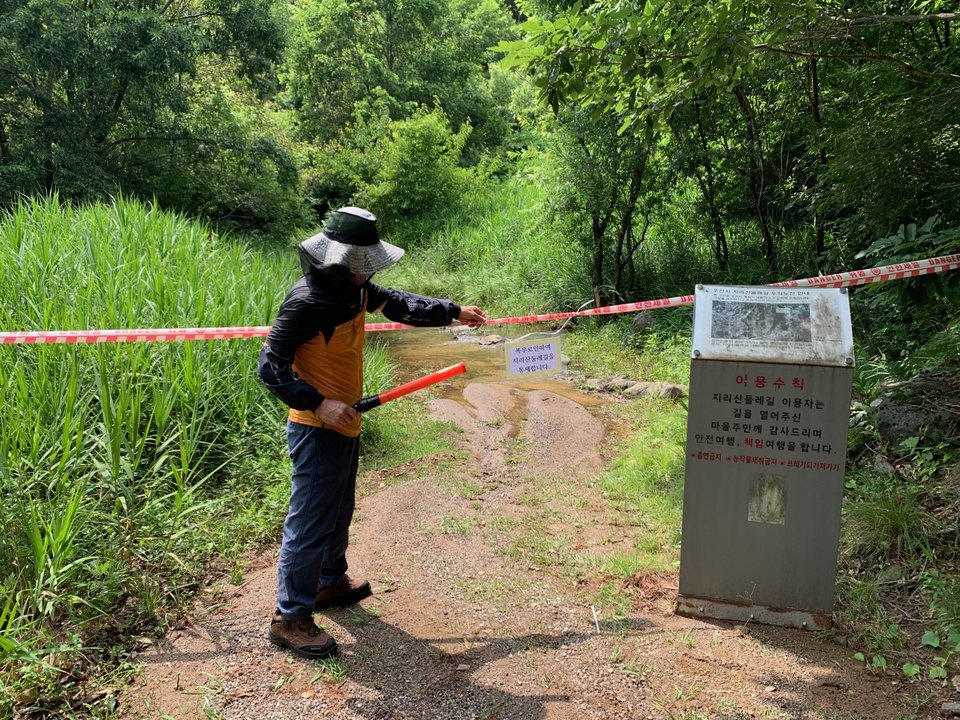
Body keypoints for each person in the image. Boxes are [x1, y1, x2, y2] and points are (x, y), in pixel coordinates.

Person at [257, 206, 487, 659]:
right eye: (364, 266)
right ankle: (290, 618)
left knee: (340, 507)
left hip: (346, 422)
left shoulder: (354, 291)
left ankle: (328, 583)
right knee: (309, 521)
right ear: (340, 262)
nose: (369, 274)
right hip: (316, 427)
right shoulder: (307, 301)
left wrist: (454, 311)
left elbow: (399, 304)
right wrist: (319, 403)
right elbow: (270, 367)